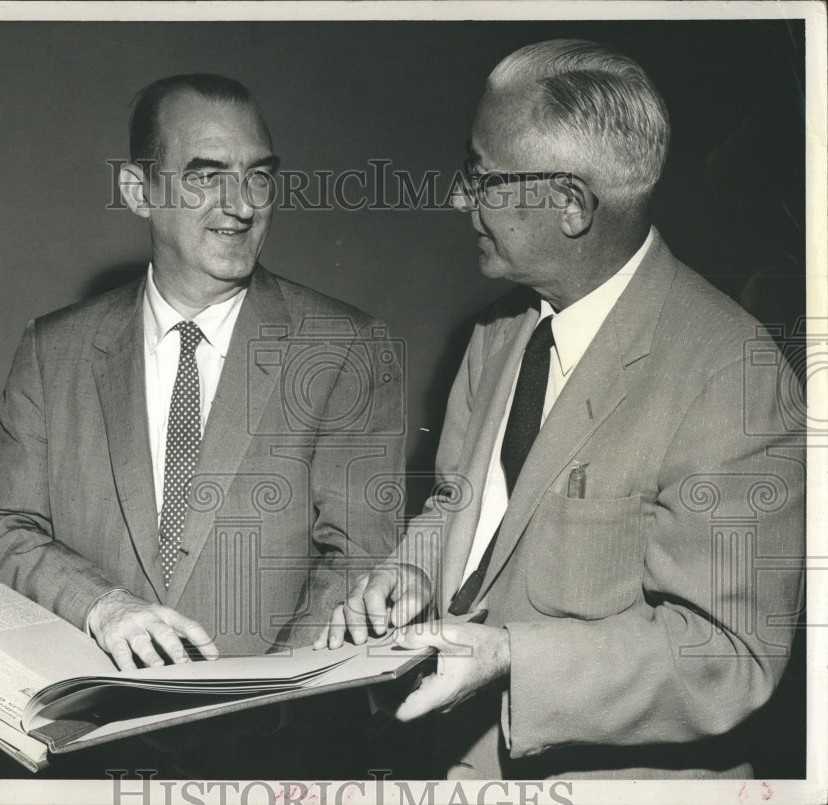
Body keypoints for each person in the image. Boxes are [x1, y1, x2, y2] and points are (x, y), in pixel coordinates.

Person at [317, 39, 805, 779]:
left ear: (571, 204)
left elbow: (727, 654)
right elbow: (459, 505)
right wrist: (412, 572)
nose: (457, 199)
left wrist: (511, 656)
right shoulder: (497, 332)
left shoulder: (735, 378)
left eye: (479, 178)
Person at [0, 74, 403, 673]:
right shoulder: (53, 349)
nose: (241, 205)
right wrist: (104, 606)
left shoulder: (344, 348)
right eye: (205, 175)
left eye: (259, 175)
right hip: (91, 727)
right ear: (138, 189)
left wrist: (257, 695)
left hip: (269, 739)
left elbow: (359, 560)